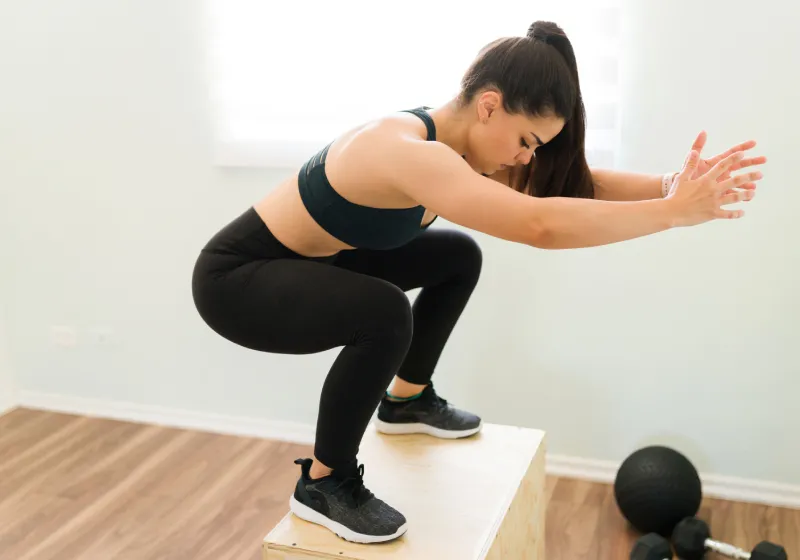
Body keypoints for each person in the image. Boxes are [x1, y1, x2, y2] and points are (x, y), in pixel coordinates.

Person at [191, 20, 765, 544]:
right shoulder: (406, 150)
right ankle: (324, 482)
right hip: (236, 279)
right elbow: (540, 225)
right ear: (489, 105)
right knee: (385, 312)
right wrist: (670, 216)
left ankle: (408, 400)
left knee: (456, 256)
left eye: (532, 148)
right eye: (526, 141)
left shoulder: (461, 147)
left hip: (315, 262)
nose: (524, 157)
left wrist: (669, 186)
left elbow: (565, 188)